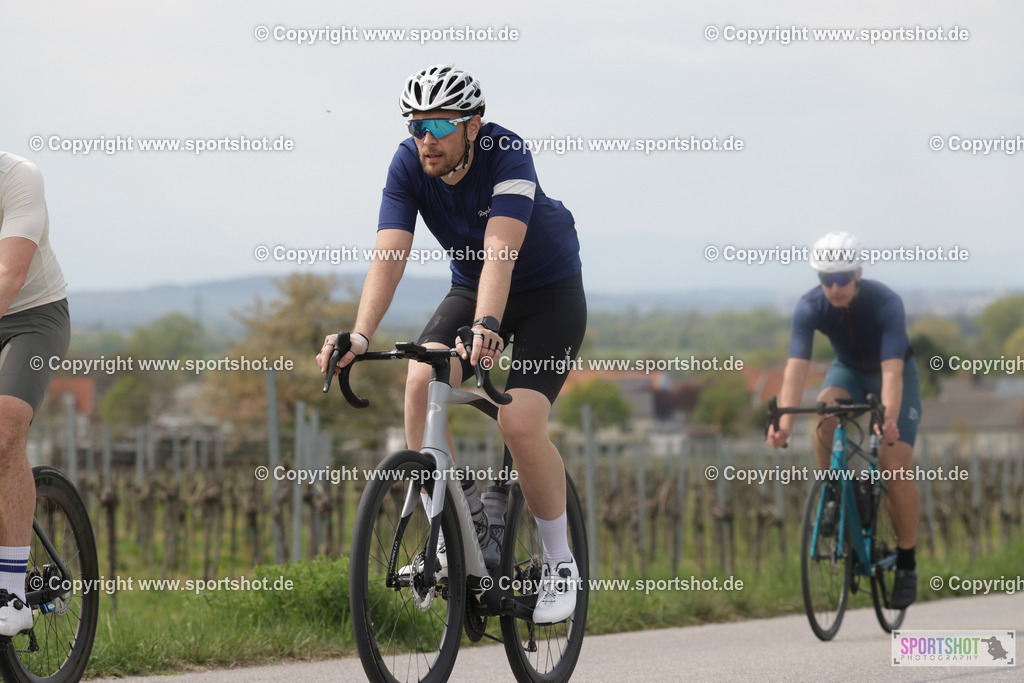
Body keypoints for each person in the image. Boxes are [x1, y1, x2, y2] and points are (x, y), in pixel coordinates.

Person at [316, 65, 586, 624]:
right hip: (472, 288)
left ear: (473, 125)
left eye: (440, 123)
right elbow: (390, 254)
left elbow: (500, 251)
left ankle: (561, 563)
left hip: (546, 294)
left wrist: (488, 323)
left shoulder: (507, 153)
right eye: (416, 124)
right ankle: (456, 527)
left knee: (517, 422)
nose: (426, 137)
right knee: (420, 381)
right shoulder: (408, 162)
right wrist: (360, 334)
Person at [766, 231, 921, 609]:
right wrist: (783, 421)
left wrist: (889, 419)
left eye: (842, 279)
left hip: (894, 375)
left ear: (858, 274)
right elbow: (795, 371)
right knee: (823, 416)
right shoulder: (809, 307)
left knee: (893, 465)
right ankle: (834, 492)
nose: (834, 288)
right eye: (825, 279)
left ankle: (906, 562)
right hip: (847, 371)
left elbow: (892, 374)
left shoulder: (885, 303)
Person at [0, 152, 71, 636]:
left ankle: (12, 592)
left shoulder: (17, 176)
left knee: (4, 429)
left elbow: (11, 274)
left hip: (33, 317)